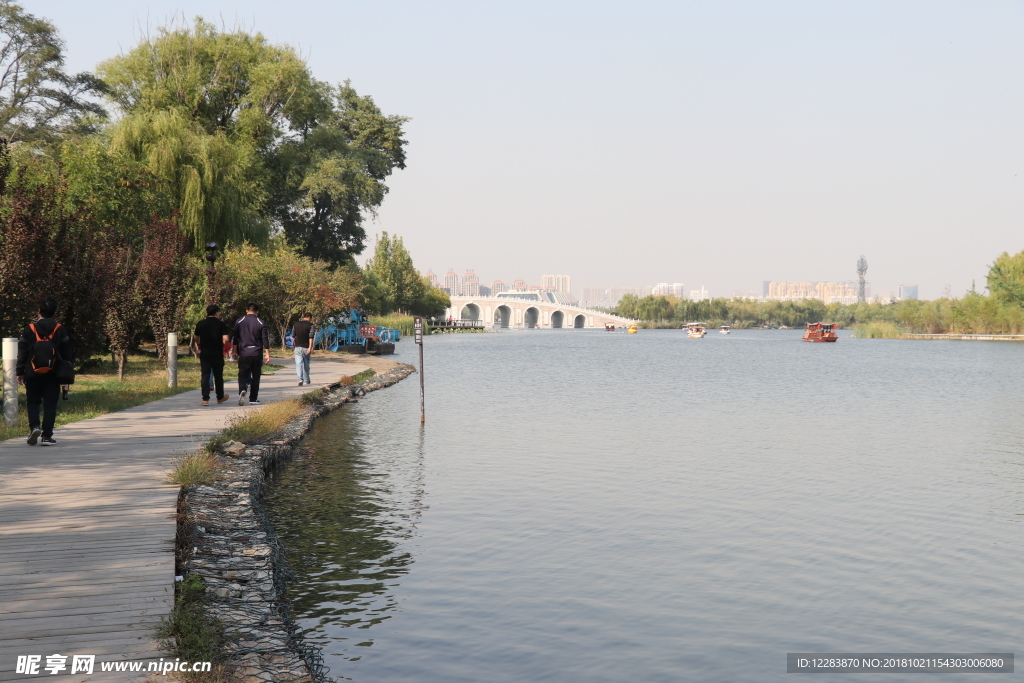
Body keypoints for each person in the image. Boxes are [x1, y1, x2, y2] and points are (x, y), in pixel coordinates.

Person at [16, 297, 72, 446]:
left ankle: (34, 427)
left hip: (32, 372)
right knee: (50, 404)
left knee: (33, 402)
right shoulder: (59, 329)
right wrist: (67, 370)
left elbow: (21, 352)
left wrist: (19, 372)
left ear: (39, 311)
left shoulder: (30, 329)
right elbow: (67, 353)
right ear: (54, 312)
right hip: (53, 373)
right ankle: (47, 436)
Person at [191, 304, 230, 406]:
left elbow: (196, 337)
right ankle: (220, 397)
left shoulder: (201, 323)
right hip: (217, 353)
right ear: (216, 313)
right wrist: (222, 345)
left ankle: (205, 399)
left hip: (205, 353)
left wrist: (199, 344)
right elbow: (226, 339)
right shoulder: (221, 324)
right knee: (218, 375)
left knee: (205, 375)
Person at [232, 303, 271, 406]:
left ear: (246, 310)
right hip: (256, 353)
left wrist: (234, 351)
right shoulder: (261, 322)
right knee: (256, 376)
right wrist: (267, 354)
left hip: (244, 353)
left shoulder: (239, 322)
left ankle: (242, 390)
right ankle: (253, 399)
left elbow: (235, 338)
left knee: (242, 374)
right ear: (257, 312)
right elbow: (265, 339)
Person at [291, 312, 314, 386]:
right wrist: (310, 347)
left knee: (298, 364)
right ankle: (307, 380)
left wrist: (295, 344)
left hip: (298, 347)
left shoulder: (295, 324)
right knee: (306, 364)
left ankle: (300, 380)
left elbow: (293, 337)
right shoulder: (311, 325)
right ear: (310, 318)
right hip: (306, 348)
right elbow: (311, 337)